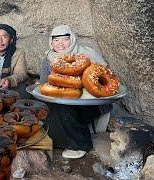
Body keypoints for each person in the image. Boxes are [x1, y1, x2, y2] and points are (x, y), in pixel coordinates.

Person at [40, 24, 112, 158]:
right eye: (56, 40)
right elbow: (43, 84)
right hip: (62, 101)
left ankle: (80, 145)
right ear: (51, 42)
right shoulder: (48, 59)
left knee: (64, 107)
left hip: (90, 102)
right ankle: (59, 141)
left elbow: (106, 76)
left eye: (65, 39)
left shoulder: (86, 54)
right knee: (54, 107)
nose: (60, 44)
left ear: (72, 39)